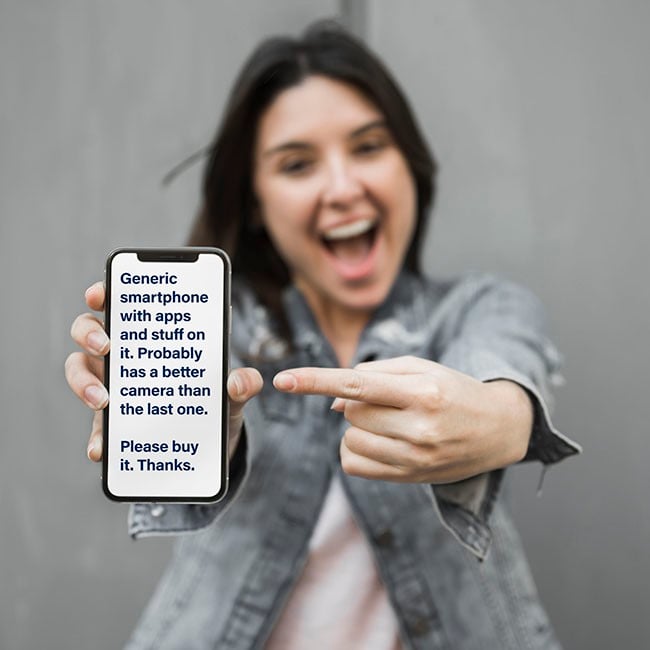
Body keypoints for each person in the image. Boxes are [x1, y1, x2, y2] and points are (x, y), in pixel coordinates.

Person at [65, 20, 580, 650]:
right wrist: (176, 421)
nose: (343, 189)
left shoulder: (481, 308)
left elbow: (507, 371)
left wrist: (497, 423)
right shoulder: (216, 328)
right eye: (297, 163)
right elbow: (188, 433)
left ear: (409, 165)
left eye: (368, 147)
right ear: (254, 200)